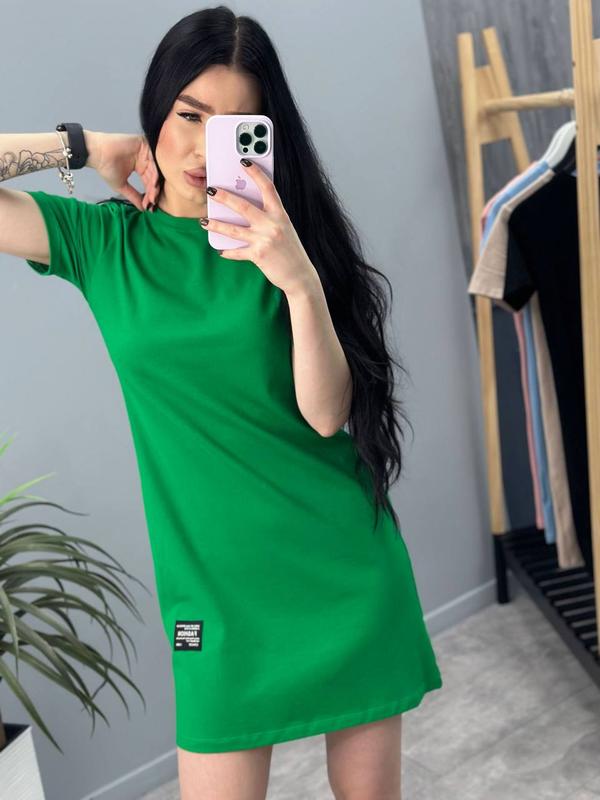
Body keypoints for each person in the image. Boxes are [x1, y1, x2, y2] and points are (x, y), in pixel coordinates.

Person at [0, 6, 442, 799]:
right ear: (155, 112)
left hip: (342, 571)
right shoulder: (106, 245)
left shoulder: (289, 242)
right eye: (189, 116)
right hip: (213, 600)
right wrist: (85, 146)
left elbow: (326, 416)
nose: (206, 150)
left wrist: (299, 280)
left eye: (235, 126)